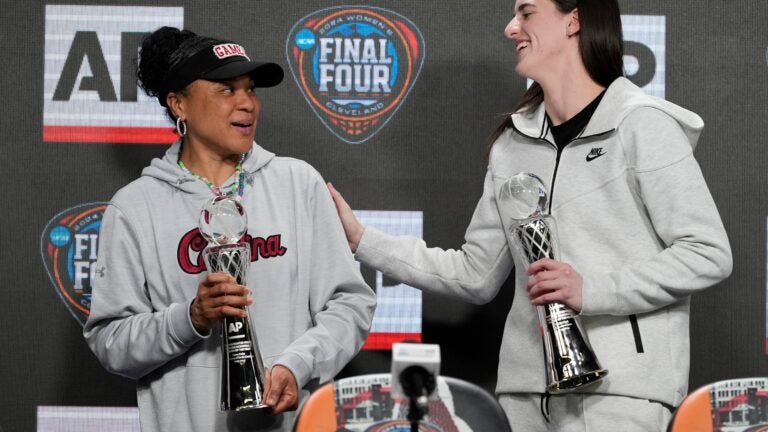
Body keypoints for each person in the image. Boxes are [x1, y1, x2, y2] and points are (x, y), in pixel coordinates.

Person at [327, 0, 732, 430]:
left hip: (619, 393)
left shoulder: (642, 125)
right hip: (525, 397)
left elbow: (707, 253)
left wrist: (591, 290)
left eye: (526, 13)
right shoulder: (512, 143)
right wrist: (362, 240)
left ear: (574, 21)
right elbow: (475, 274)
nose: (510, 28)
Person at [83, 26, 376, 432]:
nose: (247, 104)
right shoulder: (135, 207)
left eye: (250, 89)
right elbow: (111, 341)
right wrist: (190, 318)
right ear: (178, 103)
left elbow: (348, 304)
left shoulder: (297, 183)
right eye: (226, 89)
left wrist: (297, 364)